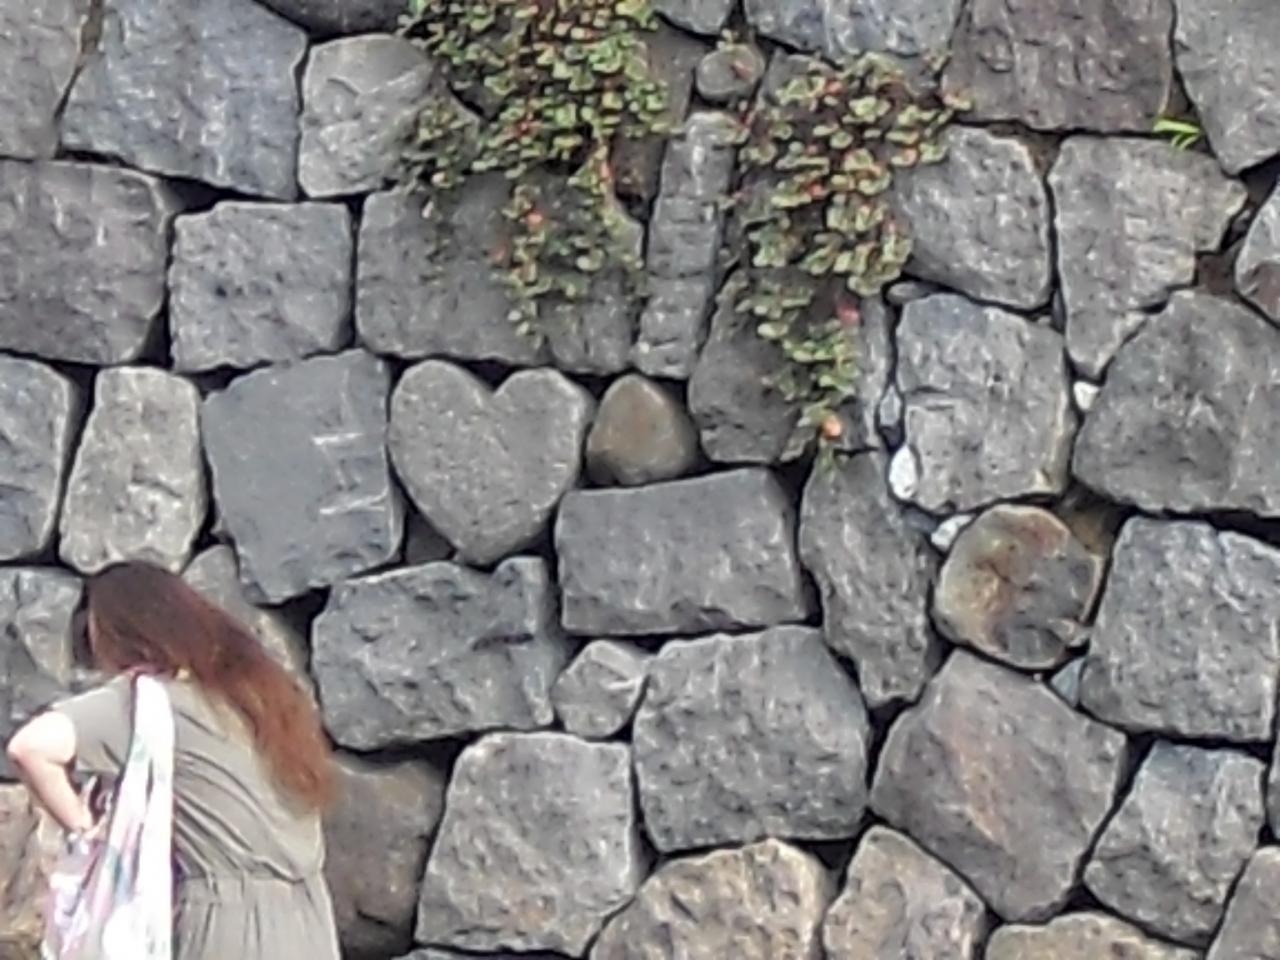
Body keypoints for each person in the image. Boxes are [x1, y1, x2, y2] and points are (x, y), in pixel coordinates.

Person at [5, 560, 341, 960]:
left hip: (225, 919)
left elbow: (31, 747)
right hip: (309, 918)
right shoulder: (259, 695)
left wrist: (83, 827)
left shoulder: (149, 703)